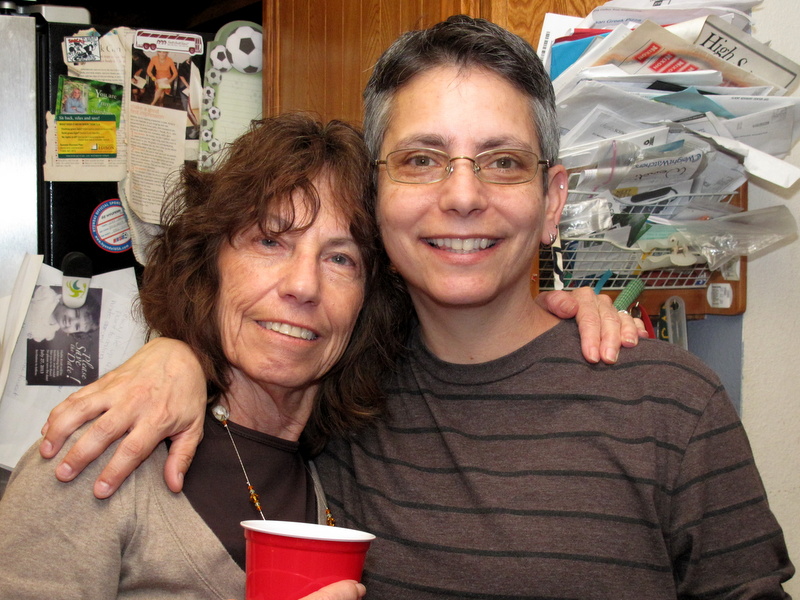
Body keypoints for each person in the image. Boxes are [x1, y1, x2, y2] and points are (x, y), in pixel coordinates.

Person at [43, 15, 792, 599]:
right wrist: (174, 353)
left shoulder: (673, 407)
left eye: (503, 161)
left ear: (551, 200)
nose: (462, 196)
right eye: (422, 160)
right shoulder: (342, 396)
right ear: (376, 197)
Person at [0, 114, 399, 600]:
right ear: (209, 266)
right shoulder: (98, 457)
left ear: (366, 302)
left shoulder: (344, 472)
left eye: (340, 258)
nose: (303, 285)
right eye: (270, 241)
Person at [28, 285, 101, 342]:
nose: (72, 321)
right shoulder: (47, 295)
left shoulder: (49, 334)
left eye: (77, 326)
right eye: (76, 313)